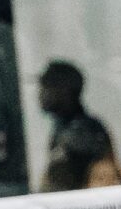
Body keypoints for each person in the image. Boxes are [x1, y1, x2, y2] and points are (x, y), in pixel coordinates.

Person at [37, 60, 113, 192]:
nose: (40, 94)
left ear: (64, 91)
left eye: (46, 87)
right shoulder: (63, 127)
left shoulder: (83, 132)